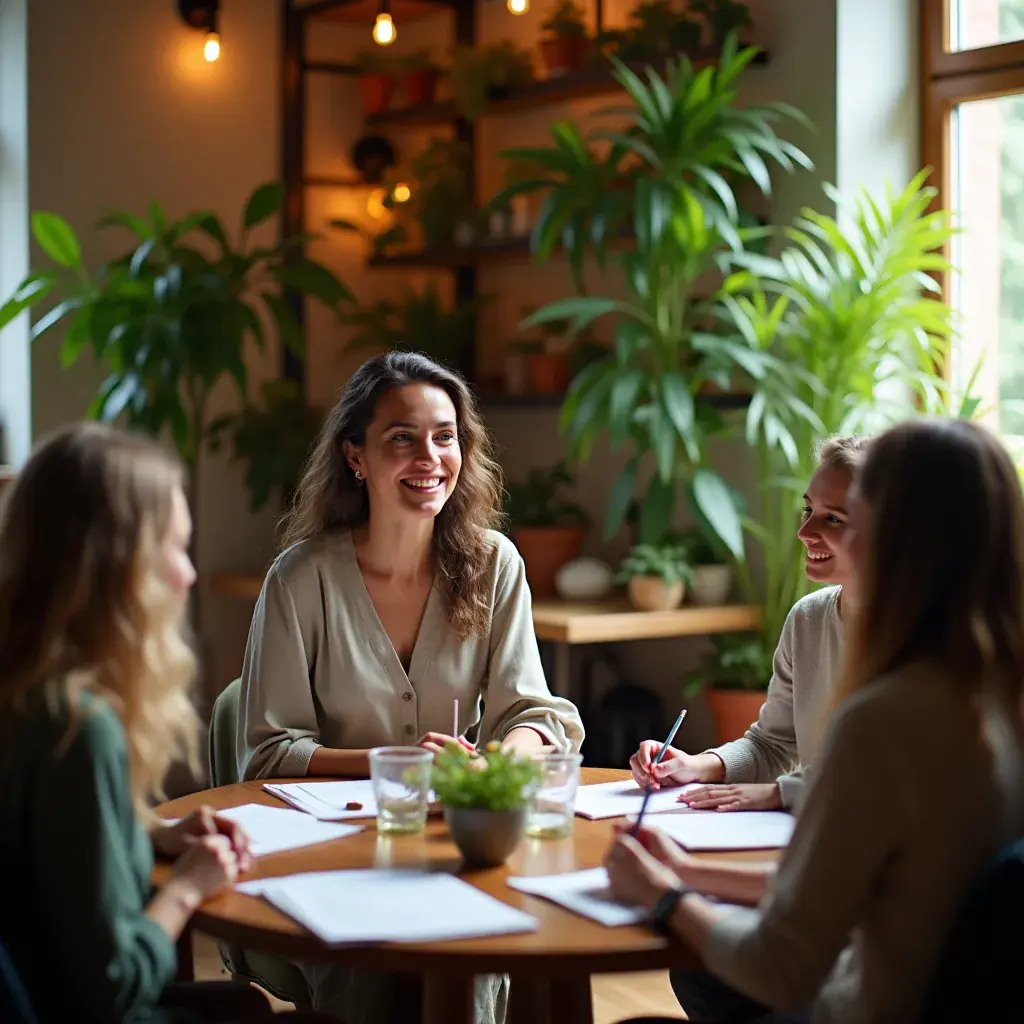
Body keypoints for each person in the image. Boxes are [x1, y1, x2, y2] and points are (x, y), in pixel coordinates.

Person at [606, 418, 1024, 1024]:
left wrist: (663, 897)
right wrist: (688, 869)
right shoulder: (994, 688)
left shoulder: (884, 718)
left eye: (849, 517)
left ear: (902, 538)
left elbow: (781, 964)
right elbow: (881, 882)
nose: (807, 532)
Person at [237, 350, 585, 1023]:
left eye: (445, 436)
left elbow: (534, 713)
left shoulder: (494, 564)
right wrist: (400, 770)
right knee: (372, 971)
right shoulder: (298, 578)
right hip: (338, 859)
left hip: (461, 846)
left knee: (505, 945)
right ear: (355, 457)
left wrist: (486, 767)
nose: (429, 457)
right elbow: (270, 751)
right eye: (402, 438)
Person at [0, 423, 334, 1023]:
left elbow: (44, 856)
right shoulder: (80, 729)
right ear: (114, 566)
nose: (189, 575)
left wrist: (149, 834)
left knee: (243, 1005)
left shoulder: (22, 694)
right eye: (176, 549)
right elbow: (110, 990)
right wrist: (187, 885)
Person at [630, 435, 868, 815]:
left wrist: (779, 793)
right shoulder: (808, 619)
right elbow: (772, 745)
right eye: (808, 510)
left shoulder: (926, 635)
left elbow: (889, 776)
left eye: (833, 518)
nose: (804, 533)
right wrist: (698, 765)